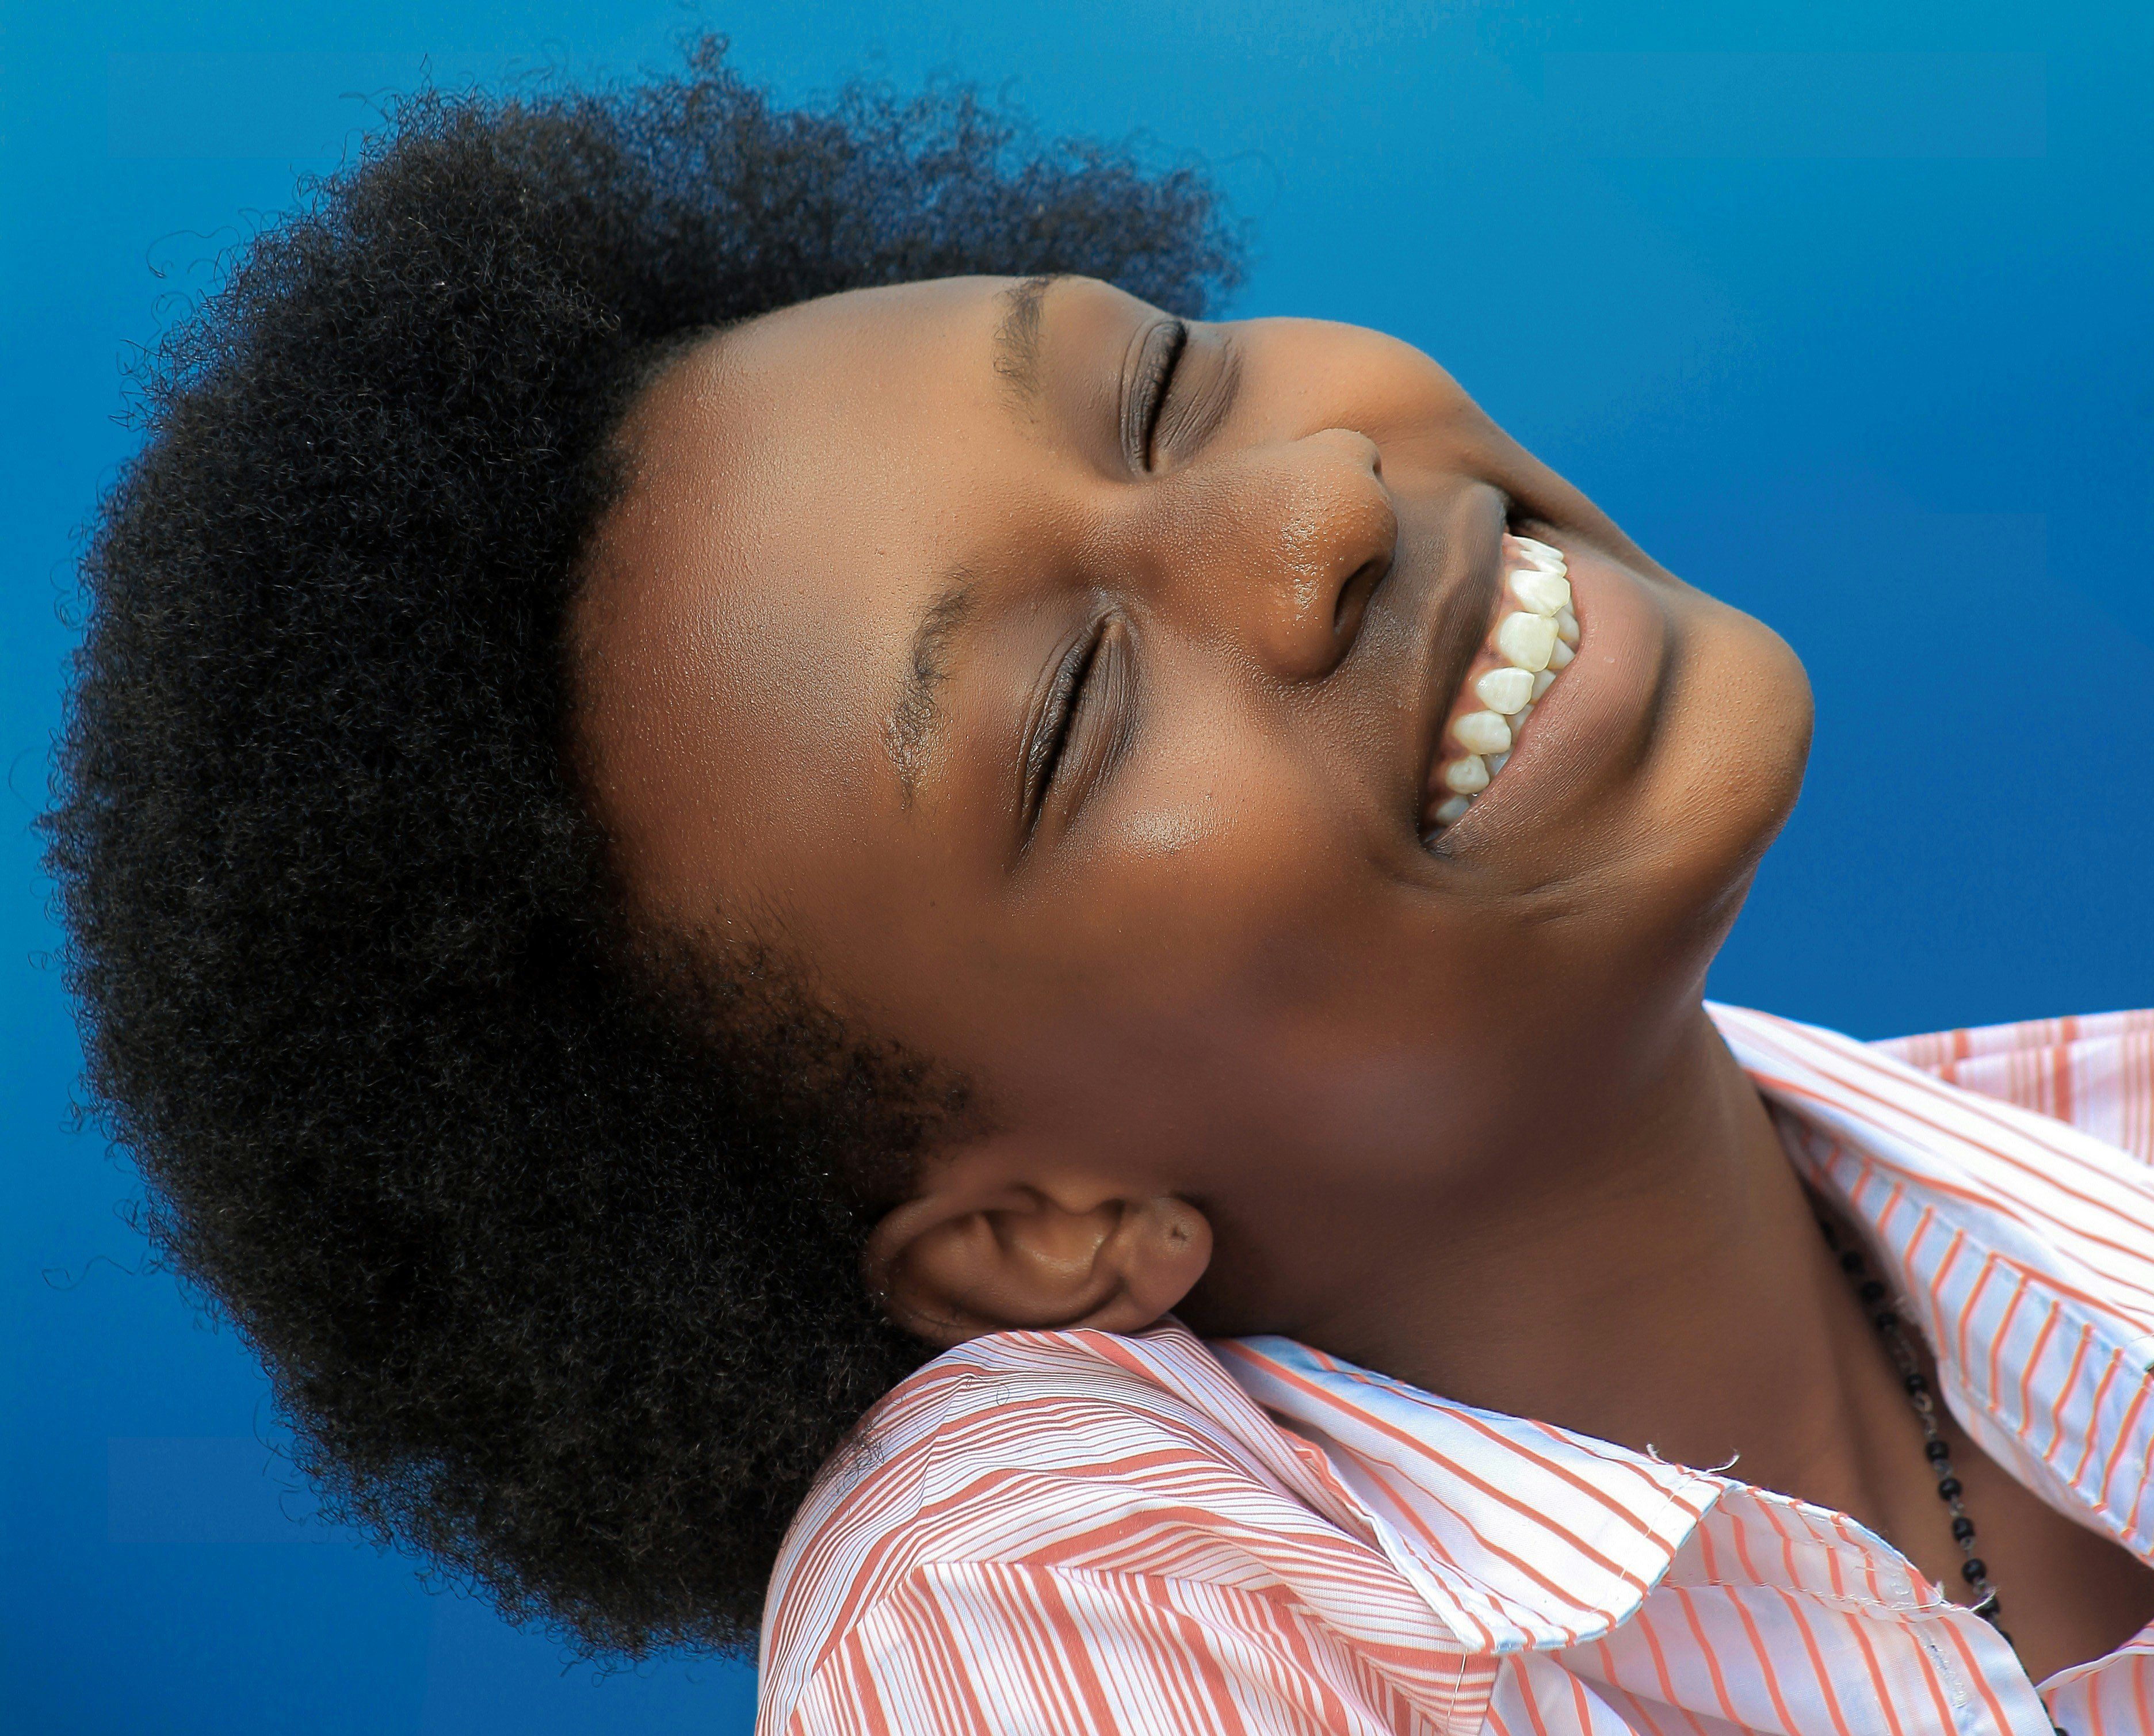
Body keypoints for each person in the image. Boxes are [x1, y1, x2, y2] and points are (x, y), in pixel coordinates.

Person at [45, 45, 2154, 1736]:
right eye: (1073, 709)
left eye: (1158, 390)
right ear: (1034, 1233)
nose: (1316, 504)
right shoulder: (1018, 1604)